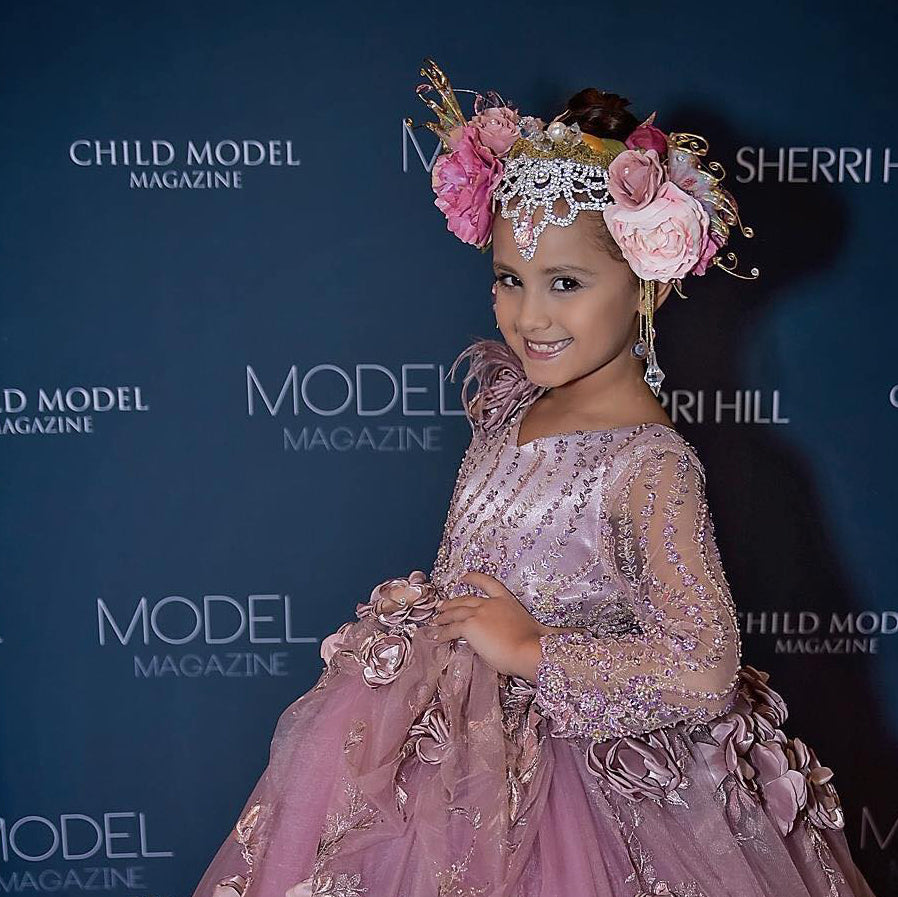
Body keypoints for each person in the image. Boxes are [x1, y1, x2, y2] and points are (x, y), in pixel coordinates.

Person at [191, 58, 878, 897]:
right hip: (443, 768)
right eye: (509, 280)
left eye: (566, 283)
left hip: (577, 794)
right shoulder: (511, 406)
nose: (530, 316)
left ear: (645, 283)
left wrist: (528, 648)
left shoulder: (648, 464)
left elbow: (703, 666)